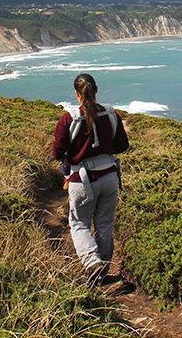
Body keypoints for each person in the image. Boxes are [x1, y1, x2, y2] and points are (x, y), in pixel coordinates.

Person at [52, 73, 130, 284]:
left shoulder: (69, 118)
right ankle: (102, 275)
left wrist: (71, 157)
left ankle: (92, 263)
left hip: (82, 180)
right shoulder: (111, 114)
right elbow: (123, 146)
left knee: (79, 223)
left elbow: (57, 152)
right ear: (96, 90)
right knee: (104, 224)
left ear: (77, 94)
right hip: (109, 177)